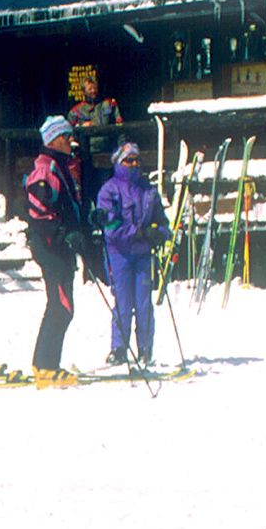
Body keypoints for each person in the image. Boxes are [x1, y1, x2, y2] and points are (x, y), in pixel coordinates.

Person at [23, 116, 92, 380]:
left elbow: (65, 206)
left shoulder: (60, 166)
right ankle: (46, 366)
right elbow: (38, 211)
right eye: (67, 137)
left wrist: (84, 223)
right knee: (62, 305)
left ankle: (44, 363)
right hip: (50, 246)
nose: (71, 142)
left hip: (59, 245)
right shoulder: (47, 168)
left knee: (60, 305)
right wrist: (63, 234)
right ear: (54, 139)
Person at [94, 138, 171, 367]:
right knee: (124, 302)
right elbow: (110, 226)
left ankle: (145, 347)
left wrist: (160, 233)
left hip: (143, 254)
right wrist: (138, 232)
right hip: (120, 254)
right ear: (119, 162)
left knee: (144, 302)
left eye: (137, 159)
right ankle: (119, 348)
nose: (134, 164)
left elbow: (162, 221)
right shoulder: (109, 190)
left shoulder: (149, 191)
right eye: (128, 160)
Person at [66, 69, 123, 195]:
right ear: (83, 91)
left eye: (94, 88)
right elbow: (68, 134)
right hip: (85, 157)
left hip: (106, 153)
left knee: (107, 187)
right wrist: (81, 126)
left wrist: (121, 148)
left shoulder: (109, 105)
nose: (93, 91)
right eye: (89, 89)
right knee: (88, 189)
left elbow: (120, 128)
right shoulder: (76, 111)